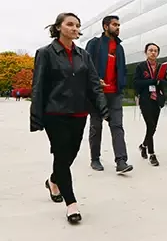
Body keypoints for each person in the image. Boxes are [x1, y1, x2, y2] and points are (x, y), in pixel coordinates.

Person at [30, 12, 109, 224]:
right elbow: (38, 86)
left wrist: (103, 108)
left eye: (77, 25)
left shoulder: (84, 55)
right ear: (58, 27)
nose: (74, 28)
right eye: (70, 24)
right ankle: (71, 203)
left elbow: (93, 84)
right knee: (61, 155)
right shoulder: (45, 53)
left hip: (79, 112)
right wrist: (36, 116)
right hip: (54, 113)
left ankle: (53, 181)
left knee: (69, 155)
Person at [85, 15, 133, 173]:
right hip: (97, 94)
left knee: (117, 126)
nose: (118, 27)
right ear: (106, 26)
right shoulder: (94, 44)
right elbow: (85, 66)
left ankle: (121, 161)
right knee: (96, 126)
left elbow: (123, 69)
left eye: (119, 25)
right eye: (115, 24)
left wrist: (122, 84)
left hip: (115, 94)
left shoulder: (119, 48)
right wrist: (95, 81)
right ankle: (95, 159)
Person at [133, 43, 167, 166]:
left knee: (153, 127)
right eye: (150, 50)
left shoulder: (161, 67)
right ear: (146, 52)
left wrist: (162, 81)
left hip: (157, 99)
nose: (153, 52)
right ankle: (152, 154)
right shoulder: (141, 66)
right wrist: (151, 81)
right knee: (150, 124)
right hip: (145, 99)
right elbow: (136, 83)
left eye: (155, 51)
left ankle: (143, 145)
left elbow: (165, 82)